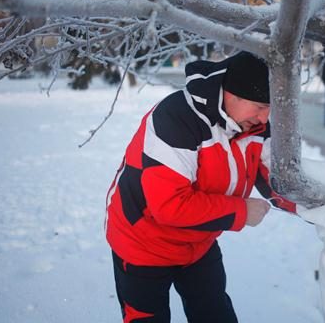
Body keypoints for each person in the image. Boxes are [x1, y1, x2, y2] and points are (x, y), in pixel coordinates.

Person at [105, 51, 297, 323]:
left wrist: (316, 207)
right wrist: (242, 211)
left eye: (270, 109)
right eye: (259, 107)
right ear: (231, 94)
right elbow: (170, 206)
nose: (265, 119)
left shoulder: (253, 126)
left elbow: (275, 179)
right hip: (143, 242)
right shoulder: (175, 118)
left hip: (198, 243)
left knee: (214, 314)